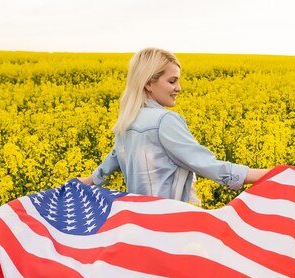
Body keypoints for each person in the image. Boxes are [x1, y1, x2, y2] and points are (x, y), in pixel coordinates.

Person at [78, 47, 270, 202]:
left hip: (138, 220)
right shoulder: (165, 121)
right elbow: (207, 165)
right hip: (169, 222)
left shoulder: (126, 121)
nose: (178, 88)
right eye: (172, 81)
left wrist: (91, 180)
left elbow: (114, 156)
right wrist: (270, 175)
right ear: (148, 83)